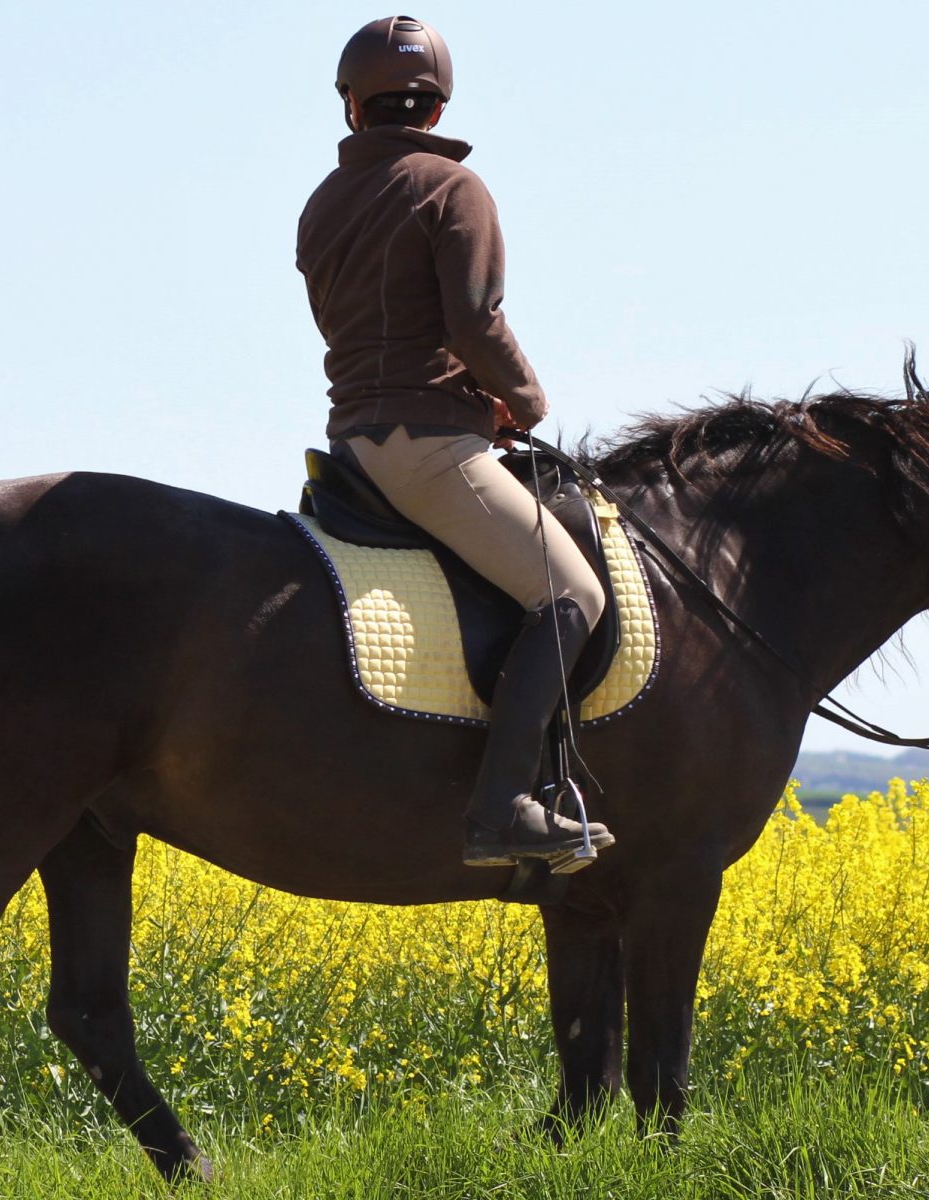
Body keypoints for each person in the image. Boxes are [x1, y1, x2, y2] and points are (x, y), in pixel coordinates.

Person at [297, 15, 613, 868]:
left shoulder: (323, 204)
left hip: (354, 445)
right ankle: (503, 807)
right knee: (572, 594)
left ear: (351, 106)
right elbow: (473, 322)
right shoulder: (451, 187)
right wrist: (524, 400)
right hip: (429, 446)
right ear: (436, 108)